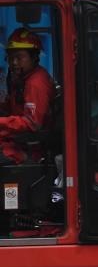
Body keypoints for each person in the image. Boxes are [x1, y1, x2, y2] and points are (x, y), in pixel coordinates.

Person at [0, 28, 55, 165]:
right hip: (18, 139)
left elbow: (32, 123)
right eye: (11, 57)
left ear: (34, 57)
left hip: (30, 147)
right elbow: (11, 107)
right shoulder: (22, 79)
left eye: (19, 57)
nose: (14, 62)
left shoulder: (36, 83)